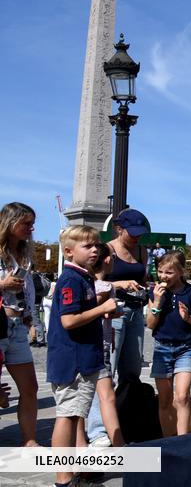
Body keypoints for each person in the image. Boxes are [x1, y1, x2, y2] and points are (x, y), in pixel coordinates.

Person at [48, 226, 118, 487]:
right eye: (87, 246)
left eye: (96, 245)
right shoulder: (71, 279)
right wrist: (102, 308)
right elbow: (68, 320)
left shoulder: (83, 276)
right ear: (68, 251)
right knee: (67, 416)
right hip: (72, 360)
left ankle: (79, 467)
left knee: (76, 415)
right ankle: (64, 478)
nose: (94, 250)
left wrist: (102, 310)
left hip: (83, 357)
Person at [85, 208, 148, 446]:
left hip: (136, 311)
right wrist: (120, 283)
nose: (136, 237)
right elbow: (95, 281)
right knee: (106, 372)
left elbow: (143, 278)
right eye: (132, 232)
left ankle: (125, 422)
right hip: (113, 313)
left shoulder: (141, 250)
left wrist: (146, 289)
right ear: (119, 229)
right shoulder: (106, 250)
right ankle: (98, 431)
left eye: (140, 233)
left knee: (132, 370)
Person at [147, 251, 191, 436]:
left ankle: (183, 441)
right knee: (164, 399)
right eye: (160, 271)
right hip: (162, 348)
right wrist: (157, 301)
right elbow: (150, 324)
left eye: (169, 272)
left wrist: (188, 318)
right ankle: (168, 441)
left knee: (182, 396)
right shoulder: (155, 292)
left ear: (181, 272)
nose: (163, 276)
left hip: (185, 348)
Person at [0, 202, 41, 446]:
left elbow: (28, 291)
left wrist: (31, 318)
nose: (31, 228)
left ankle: (30, 440)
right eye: (26, 223)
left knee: (30, 387)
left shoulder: (24, 254)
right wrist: (2, 285)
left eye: (32, 223)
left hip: (17, 326)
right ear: (10, 222)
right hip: (0, 324)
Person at [89, 242, 124, 446]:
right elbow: (93, 310)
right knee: (103, 391)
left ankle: (102, 434)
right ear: (108, 260)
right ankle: (99, 433)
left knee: (101, 389)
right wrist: (107, 309)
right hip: (99, 342)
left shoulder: (90, 284)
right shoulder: (104, 286)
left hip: (101, 340)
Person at [29, 270, 50, 346]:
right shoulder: (35, 275)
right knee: (33, 321)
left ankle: (41, 340)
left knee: (37, 321)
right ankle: (35, 339)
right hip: (36, 300)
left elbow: (38, 287)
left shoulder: (34, 276)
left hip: (35, 301)